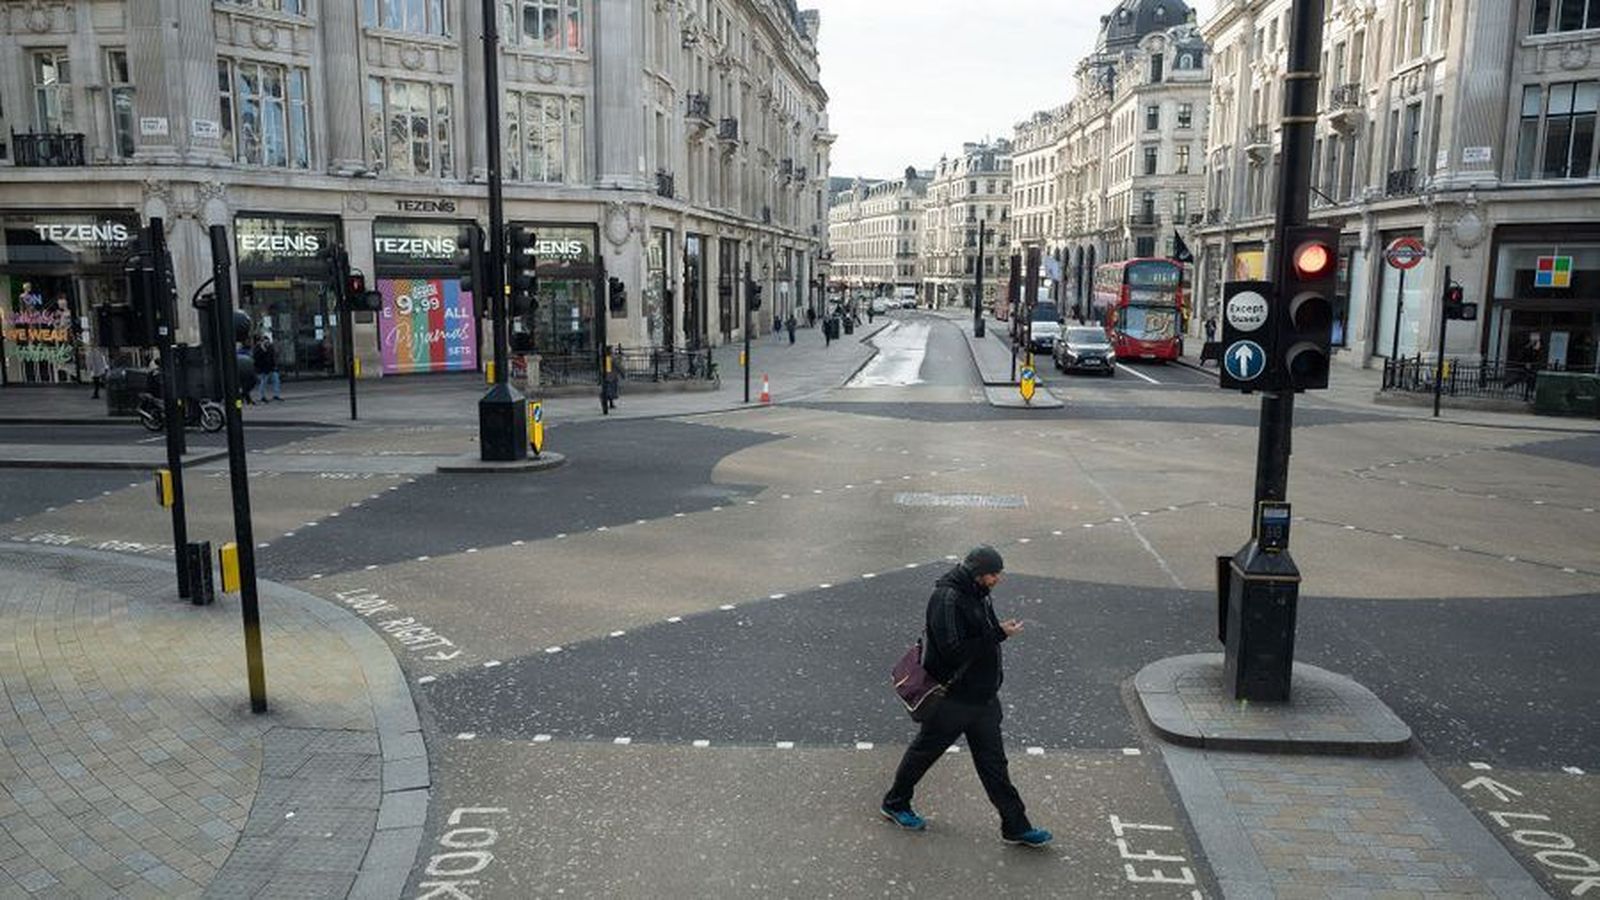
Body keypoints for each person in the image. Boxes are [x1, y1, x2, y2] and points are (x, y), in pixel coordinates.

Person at [880, 546, 1052, 848]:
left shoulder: (978, 593)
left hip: (982, 698)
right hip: (953, 699)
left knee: (994, 764)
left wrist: (997, 631)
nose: (997, 579)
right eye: (993, 574)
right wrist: (999, 634)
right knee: (924, 754)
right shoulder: (946, 599)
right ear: (977, 574)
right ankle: (895, 803)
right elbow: (954, 650)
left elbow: (982, 636)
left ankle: (1015, 826)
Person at [253, 336, 281, 402]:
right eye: (265, 341)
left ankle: (276, 395)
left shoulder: (270, 348)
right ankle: (261, 396)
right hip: (263, 369)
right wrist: (263, 349)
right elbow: (257, 358)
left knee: (276, 380)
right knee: (263, 382)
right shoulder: (258, 348)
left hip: (270, 368)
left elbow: (272, 357)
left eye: (267, 341)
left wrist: (274, 366)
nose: (266, 343)